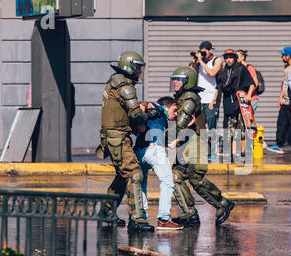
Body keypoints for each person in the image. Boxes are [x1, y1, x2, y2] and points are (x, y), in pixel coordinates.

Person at [168, 66, 235, 227]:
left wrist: (158, 135)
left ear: (187, 81)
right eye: (174, 79)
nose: (175, 82)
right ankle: (189, 213)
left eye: (179, 80)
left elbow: (180, 125)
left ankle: (222, 203)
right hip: (187, 143)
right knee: (175, 177)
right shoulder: (184, 96)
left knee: (195, 178)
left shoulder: (189, 98)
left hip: (196, 142)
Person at [97, 51, 155, 232]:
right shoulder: (124, 85)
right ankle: (137, 218)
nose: (139, 71)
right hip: (118, 137)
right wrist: (150, 115)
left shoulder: (115, 80)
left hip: (114, 137)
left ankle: (107, 213)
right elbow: (136, 113)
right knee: (134, 174)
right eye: (138, 67)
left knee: (122, 176)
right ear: (129, 66)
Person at [134, 96, 183, 230]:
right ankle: (164, 219)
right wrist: (144, 107)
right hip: (154, 149)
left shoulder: (155, 117)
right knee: (167, 182)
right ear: (169, 106)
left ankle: (142, 217)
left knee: (142, 184)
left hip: (139, 151)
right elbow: (144, 103)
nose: (176, 112)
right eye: (175, 108)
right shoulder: (161, 109)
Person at [216, 49, 256, 159]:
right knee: (230, 129)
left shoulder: (241, 69)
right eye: (227, 58)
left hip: (241, 103)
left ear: (235, 58)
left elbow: (252, 84)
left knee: (242, 129)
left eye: (231, 57)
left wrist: (248, 95)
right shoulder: (223, 71)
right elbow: (219, 88)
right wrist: (214, 101)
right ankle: (233, 154)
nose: (228, 60)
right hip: (228, 102)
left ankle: (243, 152)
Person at [267, 47, 291, 154]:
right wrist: (280, 97)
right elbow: (284, 83)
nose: (282, 57)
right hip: (285, 101)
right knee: (282, 123)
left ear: (288, 56)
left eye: (283, 55)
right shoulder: (287, 67)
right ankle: (279, 144)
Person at [190, 40, 223, 131]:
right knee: (200, 127)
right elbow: (192, 74)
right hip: (199, 98)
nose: (203, 54)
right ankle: (203, 145)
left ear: (210, 50)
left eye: (205, 52)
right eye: (201, 52)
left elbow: (212, 73)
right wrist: (195, 61)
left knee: (211, 127)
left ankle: (213, 145)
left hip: (211, 98)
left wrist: (201, 61)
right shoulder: (199, 62)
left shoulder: (217, 60)